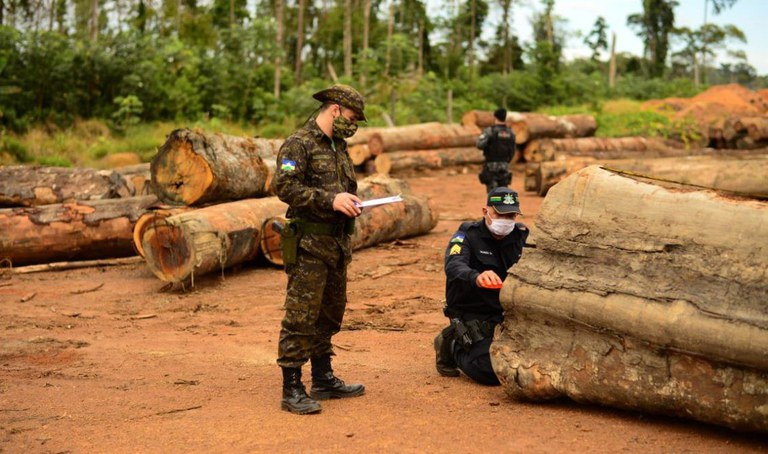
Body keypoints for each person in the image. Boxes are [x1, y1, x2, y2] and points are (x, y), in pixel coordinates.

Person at [274, 84, 367, 415]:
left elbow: (343, 190)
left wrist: (350, 200)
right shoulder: (298, 144)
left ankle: (323, 377)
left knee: (330, 311)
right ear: (335, 109)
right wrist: (330, 200)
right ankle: (292, 387)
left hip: (336, 244)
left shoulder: (339, 147)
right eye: (353, 118)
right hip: (309, 245)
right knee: (302, 314)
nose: (354, 125)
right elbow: (284, 186)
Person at [433, 187, 529, 386]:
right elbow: (453, 265)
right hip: (474, 314)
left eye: (511, 215)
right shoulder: (467, 235)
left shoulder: (521, 236)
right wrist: (475, 276)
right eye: (500, 214)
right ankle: (451, 344)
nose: (506, 220)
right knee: (491, 371)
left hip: (508, 314)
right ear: (486, 211)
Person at [476, 108, 516, 194]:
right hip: (504, 166)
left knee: (493, 195)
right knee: (503, 194)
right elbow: (513, 151)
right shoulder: (511, 132)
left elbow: (479, 145)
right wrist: (506, 161)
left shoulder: (490, 131)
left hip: (491, 166)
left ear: (495, 117)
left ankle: (493, 207)